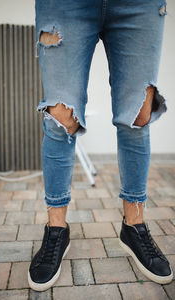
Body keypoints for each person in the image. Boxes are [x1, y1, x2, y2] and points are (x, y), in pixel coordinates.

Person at [28, 0, 173, 291]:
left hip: (139, 6)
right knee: (60, 119)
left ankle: (134, 227)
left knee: (137, 117)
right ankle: (57, 229)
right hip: (65, 5)